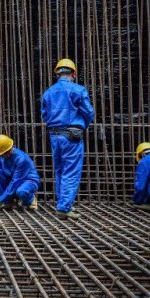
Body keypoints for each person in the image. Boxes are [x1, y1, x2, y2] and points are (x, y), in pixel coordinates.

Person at [41, 58, 94, 219]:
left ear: (57, 73)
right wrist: (81, 126)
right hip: (72, 136)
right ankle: (64, 207)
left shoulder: (48, 92)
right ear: (73, 74)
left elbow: (45, 114)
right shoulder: (78, 90)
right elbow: (88, 112)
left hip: (54, 135)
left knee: (60, 170)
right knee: (71, 171)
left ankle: (62, 203)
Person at [0, 134, 41, 211]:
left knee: (21, 192)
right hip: (13, 179)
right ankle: (8, 202)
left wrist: (1, 199)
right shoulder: (1, 156)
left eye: (1, 154)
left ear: (6, 151)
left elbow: (16, 181)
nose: (0, 156)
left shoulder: (21, 159)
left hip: (28, 180)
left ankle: (31, 200)